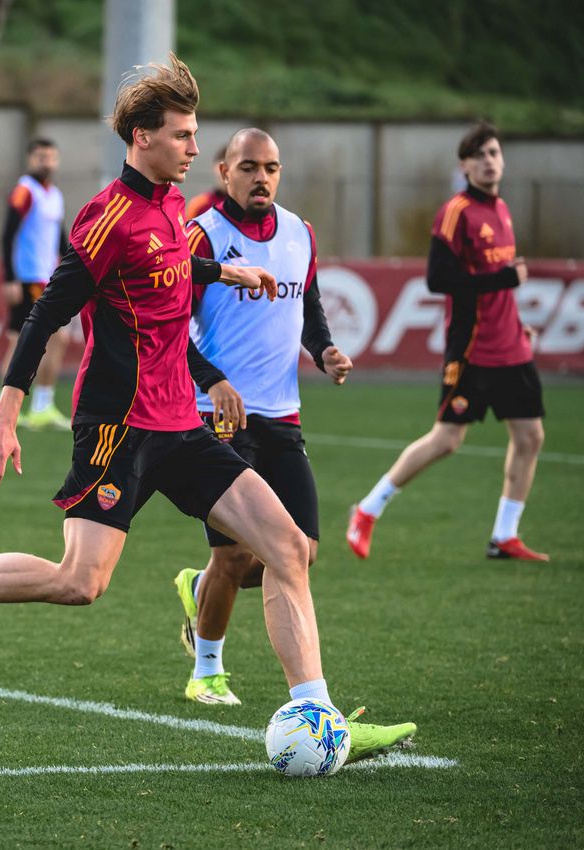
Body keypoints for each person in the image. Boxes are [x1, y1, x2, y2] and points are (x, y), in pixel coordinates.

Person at [0, 54, 414, 762]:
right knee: (78, 583)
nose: (193, 149)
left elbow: (165, 266)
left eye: (193, 134)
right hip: (118, 427)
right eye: (182, 135)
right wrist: (5, 413)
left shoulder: (168, 207)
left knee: (288, 548)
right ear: (142, 137)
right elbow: (47, 315)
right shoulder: (108, 213)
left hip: (180, 422)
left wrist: (218, 269)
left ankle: (319, 714)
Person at [172, 128, 354, 706]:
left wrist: (323, 351)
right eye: (248, 167)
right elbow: (169, 329)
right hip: (217, 418)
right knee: (234, 554)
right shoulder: (203, 236)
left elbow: (309, 305)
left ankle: (199, 589)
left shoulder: (300, 233)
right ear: (224, 171)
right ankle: (206, 670)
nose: (262, 178)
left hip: (283, 417)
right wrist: (215, 381)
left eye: (271, 167)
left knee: (300, 552)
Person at [347, 122, 547, 561]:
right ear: (465, 166)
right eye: (480, 156)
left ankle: (504, 535)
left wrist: (517, 322)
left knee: (530, 435)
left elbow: (495, 288)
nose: (489, 161)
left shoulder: (503, 210)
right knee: (447, 440)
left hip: (511, 343)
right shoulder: (456, 212)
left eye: (494, 153)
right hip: (473, 347)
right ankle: (367, 508)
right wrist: (504, 277)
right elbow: (439, 279)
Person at [0, 138, 72, 430]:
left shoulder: (53, 194)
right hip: (28, 278)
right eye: (41, 156)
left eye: (51, 157)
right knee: (19, 343)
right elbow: (7, 234)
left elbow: (60, 239)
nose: (47, 162)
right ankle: (2, 410)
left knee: (58, 340)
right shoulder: (24, 191)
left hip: (47, 278)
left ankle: (42, 406)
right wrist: (10, 278)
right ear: (31, 159)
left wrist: (72, 270)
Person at [183, 143, 230, 219]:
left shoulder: (248, 205)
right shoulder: (198, 205)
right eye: (223, 168)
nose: (226, 173)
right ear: (215, 167)